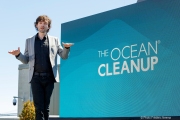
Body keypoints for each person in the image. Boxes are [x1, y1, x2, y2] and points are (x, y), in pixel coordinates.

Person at [8, 15, 72, 120]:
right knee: (38, 108)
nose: (42, 25)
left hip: (49, 78)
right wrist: (18, 54)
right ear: (36, 25)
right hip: (35, 78)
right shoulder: (29, 40)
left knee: (46, 107)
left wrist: (67, 48)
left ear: (48, 26)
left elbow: (64, 56)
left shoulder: (54, 40)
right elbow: (26, 60)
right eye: (40, 23)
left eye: (45, 23)